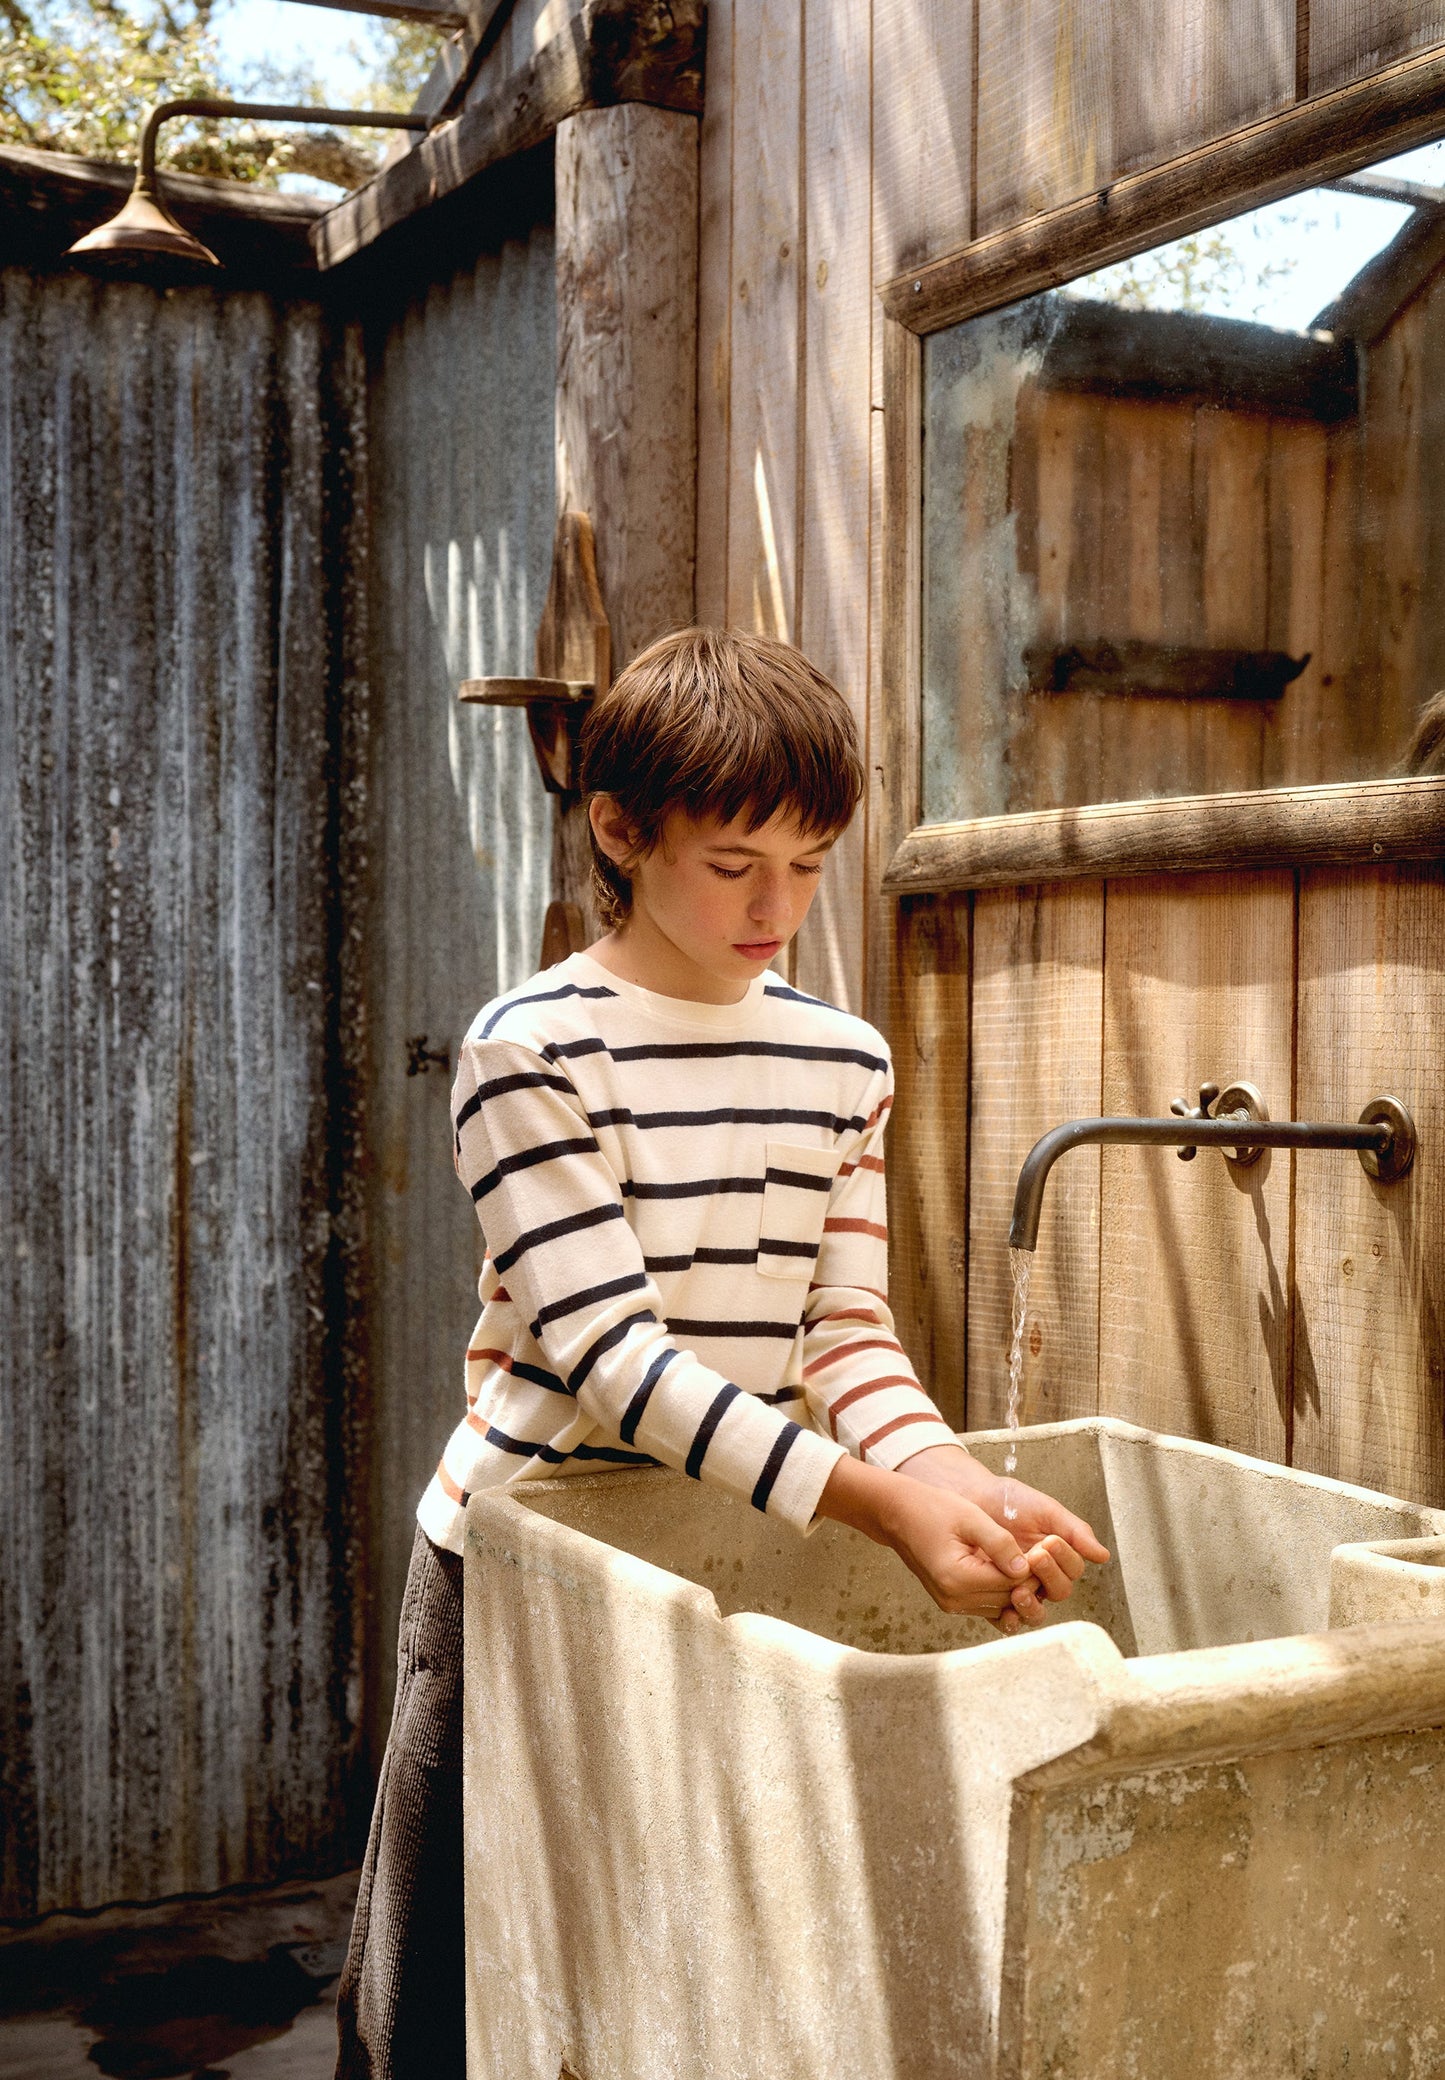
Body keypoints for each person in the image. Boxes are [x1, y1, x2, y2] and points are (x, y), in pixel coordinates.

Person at [334, 628, 1108, 2080]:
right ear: (621, 832)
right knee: (438, 1986)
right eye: (734, 863)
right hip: (519, 1553)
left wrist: (947, 1473)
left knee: (648, 1963)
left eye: (809, 865)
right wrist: (882, 1509)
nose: (778, 906)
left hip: (715, 1555)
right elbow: (612, 1362)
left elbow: (843, 1328)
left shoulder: (842, 1060)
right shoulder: (529, 1051)